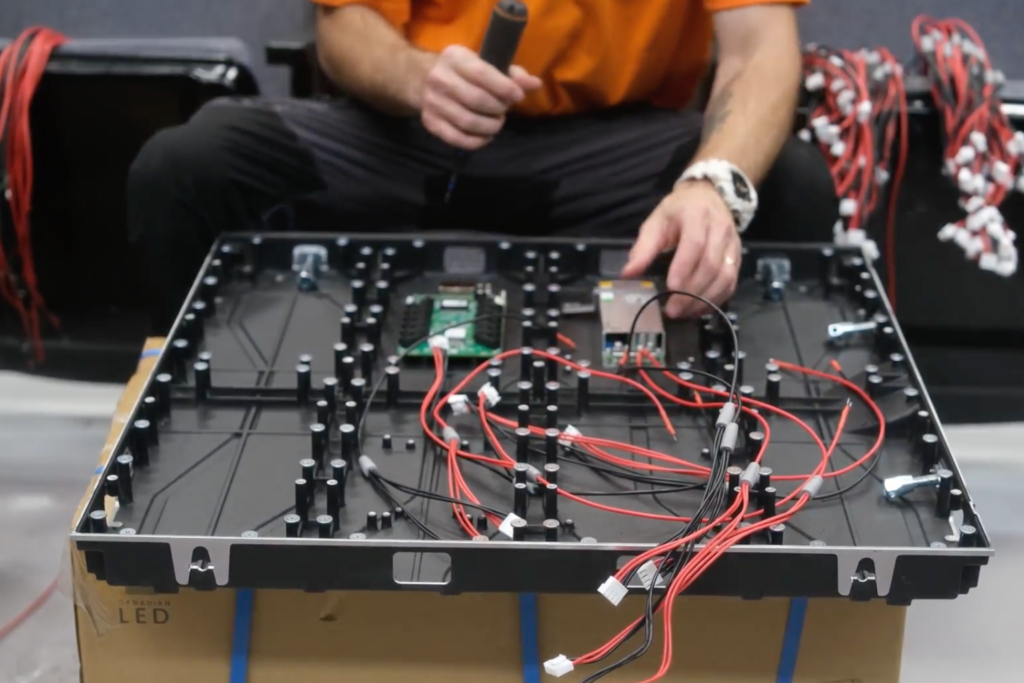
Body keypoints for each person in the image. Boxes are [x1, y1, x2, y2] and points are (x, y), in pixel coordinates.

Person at [128, 0, 836, 332]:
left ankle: (733, 454)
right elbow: (345, 24)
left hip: (610, 149)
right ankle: (186, 419)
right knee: (186, 169)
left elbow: (761, 45)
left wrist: (713, 184)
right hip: (411, 133)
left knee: (788, 186)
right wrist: (416, 76)